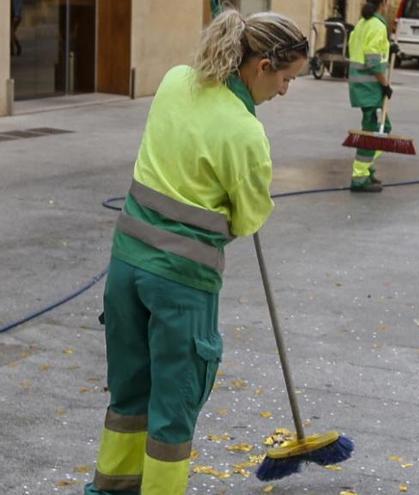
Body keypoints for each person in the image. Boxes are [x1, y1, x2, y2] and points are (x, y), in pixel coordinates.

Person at [83, 9, 308, 495]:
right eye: (287, 78)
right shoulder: (246, 134)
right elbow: (249, 219)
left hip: (125, 272)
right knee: (172, 417)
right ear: (262, 66)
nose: (286, 91)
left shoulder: (174, 81)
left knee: (128, 399)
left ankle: (108, 490)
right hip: (181, 287)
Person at [347, 0, 393, 193]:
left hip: (361, 85)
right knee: (374, 131)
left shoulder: (362, 23)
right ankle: (360, 175)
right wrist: (385, 84)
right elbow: (373, 61)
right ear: (383, 3)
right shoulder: (377, 25)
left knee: (378, 128)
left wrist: (391, 50)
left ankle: (367, 169)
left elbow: (361, 49)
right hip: (370, 86)